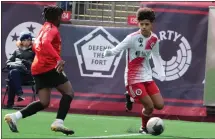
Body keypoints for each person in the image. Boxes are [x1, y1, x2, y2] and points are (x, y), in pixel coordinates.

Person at [4, 5, 75, 135]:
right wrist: (57, 58)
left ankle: (14, 117)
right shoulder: (52, 29)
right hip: (48, 67)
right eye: (60, 17)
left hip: (37, 68)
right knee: (69, 92)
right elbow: (45, 43)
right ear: (57, 18)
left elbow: (37, 45)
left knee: (44, 102)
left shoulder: (44, 28)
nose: (61, 20)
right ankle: (58, 122)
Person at [104, 7, 165, 134]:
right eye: (141, 24)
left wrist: (161, 72)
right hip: (133, 78)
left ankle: (131, 96)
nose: (143, 27)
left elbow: (156, 56)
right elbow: (118, 49)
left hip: (147, 76)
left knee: (159, 105)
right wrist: (109, 52)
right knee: (149, 107)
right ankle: (143, 128)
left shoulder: (154, 39)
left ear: (151, 24)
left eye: (146, 24)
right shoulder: (132, 38)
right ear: (138, 23)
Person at [4, 32, 35, 109]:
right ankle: (19, 94)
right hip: (17, 74)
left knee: (12, 76)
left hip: (27, 76)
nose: (27, 41)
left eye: (29, 40)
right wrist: (16, 63)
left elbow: (35, 64)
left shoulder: (34, 52)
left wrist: (26, 62)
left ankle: (10, 103)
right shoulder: (16, 51)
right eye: (25, 40)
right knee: (13, 73)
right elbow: (8, 62)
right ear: (21, 41)